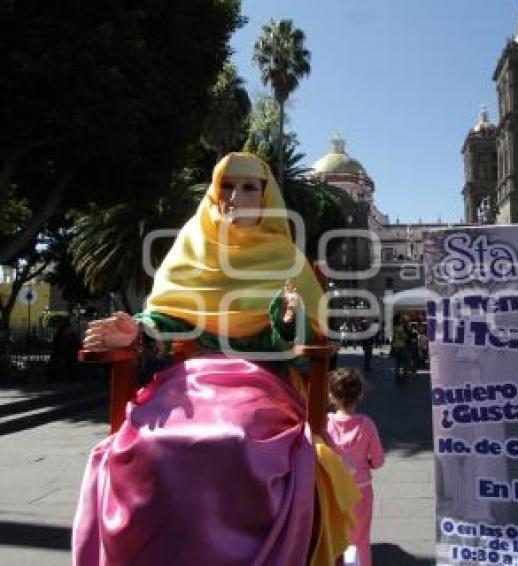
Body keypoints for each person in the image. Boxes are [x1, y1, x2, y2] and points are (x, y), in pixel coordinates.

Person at [74, 153, 359, 566]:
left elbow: (309, 345)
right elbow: (168, 317)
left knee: (237, 440)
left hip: (263, 385)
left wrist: (288, 320)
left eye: (249, 188)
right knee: (150, 443)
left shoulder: (289, 261)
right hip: (188, 382)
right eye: (228, 186)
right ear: (214, 192)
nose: (236, 196)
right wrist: (137, 330)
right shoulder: (189, 250)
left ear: (265, 197)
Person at [326, 368, 385, 566]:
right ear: (359, 394)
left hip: (334, 492)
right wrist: (366, 463)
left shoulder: (325, 424)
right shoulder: (367, 425)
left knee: (334, 538)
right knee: (360, 538)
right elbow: (378, 461)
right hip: (360, 491)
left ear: (332, 396)